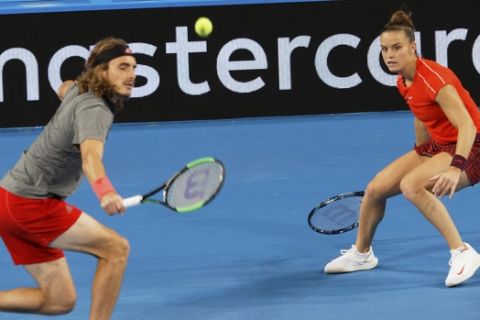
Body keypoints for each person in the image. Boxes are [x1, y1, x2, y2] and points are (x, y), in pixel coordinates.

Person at [323, 10, 480, 287]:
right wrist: (421, 153)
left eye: (396, 48)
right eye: (384, 49)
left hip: (472, 144)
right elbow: (422, 115)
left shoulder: (434, 79)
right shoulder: (403, 80)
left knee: (411, 186)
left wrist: (455, 168)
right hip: (440, 144)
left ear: (412, 47)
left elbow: (467, 126)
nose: (389, 55)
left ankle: (463, 252)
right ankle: (362, 254)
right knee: (375, 189)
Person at [0, 37, 136, 318]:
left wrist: (68, 92)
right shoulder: (95, 109)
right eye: (122, 67)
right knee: (116, 249)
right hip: (30, 205)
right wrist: (105, 190)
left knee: (59, 301)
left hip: (8, 201)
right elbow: (90, 157)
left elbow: (64, 87)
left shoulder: (79, 90)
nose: (132, 75)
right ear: (101, 72)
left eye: (134, 67)